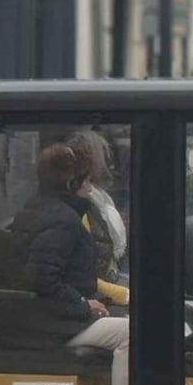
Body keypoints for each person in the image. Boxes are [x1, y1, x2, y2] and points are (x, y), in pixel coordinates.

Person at [9, 145, 131, 385]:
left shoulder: (35, 209)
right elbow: (42, 277)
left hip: (39, 316)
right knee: (132, 334)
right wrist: (83, 303)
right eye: (87, 181)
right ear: (70, 184)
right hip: (54, 322)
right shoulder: (63, 221)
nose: (91, 188)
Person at [65, 131, 129, 306]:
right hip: (96, 293)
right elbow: (83, 276)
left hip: (110, 280)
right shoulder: (80, 209)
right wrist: (125, 294)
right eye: (106, 159)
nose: (112, 165)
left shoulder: (102, 202)